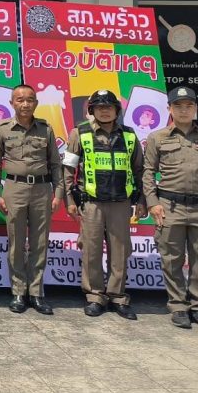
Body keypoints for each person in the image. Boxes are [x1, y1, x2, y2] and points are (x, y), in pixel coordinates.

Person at [143, 86, 198, 330]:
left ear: (195, 109)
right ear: (169, 109)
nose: (184, 110)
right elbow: (148, 172)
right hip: (169, 206)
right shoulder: (157, 138)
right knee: (171, 258)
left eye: (188, 106)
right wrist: (152, 203)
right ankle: (178, 307)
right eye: (178, 106)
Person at [62, 89, 144, 320]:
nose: (105, 111)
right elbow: (68, 169)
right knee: (91, 250)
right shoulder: (79, 133)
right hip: (91, 204)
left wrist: (142, 200)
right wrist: (69, 199)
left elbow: (139, 170)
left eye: (109, 107)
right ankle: (95, 296)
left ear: (117, 110)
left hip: (121, 203)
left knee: (120, 251)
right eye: (99, 107)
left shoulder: (130, 135)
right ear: (92, 110)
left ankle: (118, 296)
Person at [0, 84, 64, 315]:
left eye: (30, 100)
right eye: (20, 100)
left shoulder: (46, 128)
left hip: (42, 190)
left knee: (40, 243)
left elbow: (55, 164)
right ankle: (19, 292)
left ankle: (36, 293)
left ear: (36, 103)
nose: (25, 104)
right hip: (14, 188)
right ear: (12, 103)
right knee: (16, 243)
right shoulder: (2, 128)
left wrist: (58, 194)